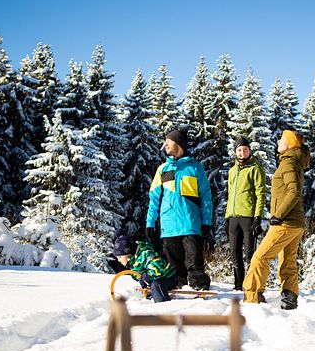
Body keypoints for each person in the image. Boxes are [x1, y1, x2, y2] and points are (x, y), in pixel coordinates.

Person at [243, 130, 309, 309]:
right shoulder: (294, 162)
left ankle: (252, 296)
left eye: (281, 139)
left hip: (286, 222)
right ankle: (289, 299)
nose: (278, 141)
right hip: (296, 223)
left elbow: (294, 191)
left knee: (260, 257)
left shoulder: (288, 163)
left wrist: (278, 215)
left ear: (289, 144)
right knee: (287, 260)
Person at [145, 129, 213, 291]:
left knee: (194, 263)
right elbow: (154, 198)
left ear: (179, 144)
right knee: (173, 269)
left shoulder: (195, 168)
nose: (165, 145)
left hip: (190, 223)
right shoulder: (162, 169)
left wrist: (206, 221)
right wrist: (150, 223)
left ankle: (199, 287)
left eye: (168, 141)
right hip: (168, 226)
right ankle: (177, 287)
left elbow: (206, 197)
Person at [225, 136, 267, 290]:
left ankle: (251, 285)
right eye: (239, 150)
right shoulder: (232, 171)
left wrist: (258, 218)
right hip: (233, 217)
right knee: (234, 254)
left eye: (245, 150)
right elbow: (230, 194)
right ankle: (238, 286)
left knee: (250, 255)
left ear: (249, 151)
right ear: (235, 152)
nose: (242, 153)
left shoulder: (255, 168)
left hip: (248, 217)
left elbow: (260, 194)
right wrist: (227, 217)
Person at [113, 231, 177, 303]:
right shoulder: (133, 262)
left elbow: (158, 269)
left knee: (156, 285)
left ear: (127, 254)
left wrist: (147, 276)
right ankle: (150, 301)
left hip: (168, 278)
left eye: (119, 257)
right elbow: (139, 274)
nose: (118, 260)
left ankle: (162, 305)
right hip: (155, 280)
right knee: (150, 287)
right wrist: (142, 279)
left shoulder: (146, 254)